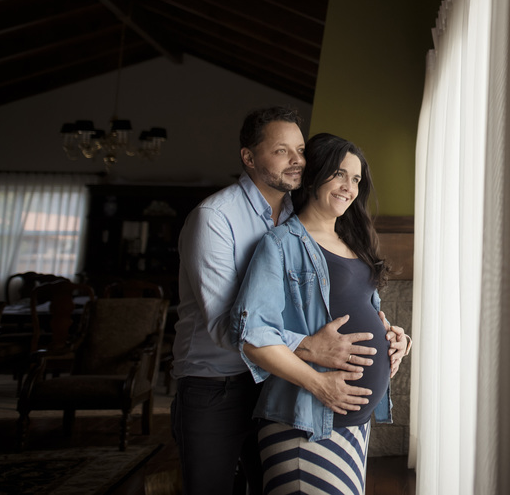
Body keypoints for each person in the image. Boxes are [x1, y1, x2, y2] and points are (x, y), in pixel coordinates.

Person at [171, 107, 408, 495]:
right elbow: (227, 326)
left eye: (300, 150)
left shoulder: (297, 218)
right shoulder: (215, 217)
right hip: (216, 385)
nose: (297, 160)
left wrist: (390, 336)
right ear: (249, 157)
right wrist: (309, 349)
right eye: (282, 151)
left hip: (277, 384)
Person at [231, 133, 413, 495]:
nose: (349, 187)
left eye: (356, 179)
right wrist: (320, 385)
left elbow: (366, 311)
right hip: (306, 420)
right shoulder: (280, 244)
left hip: (353, 424)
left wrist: (394, 336)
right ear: (314, 175)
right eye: (339, 174)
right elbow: (253, 335)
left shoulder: (354, 242)